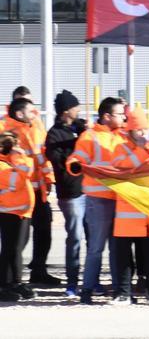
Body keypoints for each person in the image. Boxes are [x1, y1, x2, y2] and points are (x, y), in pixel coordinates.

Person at [67, 96, 128, 305]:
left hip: (122, 199)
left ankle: (120, 290)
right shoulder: (90, 136)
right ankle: (87, 290)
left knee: (117, 249)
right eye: (120, 114)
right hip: (99, 200)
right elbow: (77, 158)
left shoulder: (124, 136)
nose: (124, 117)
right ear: (107, 116)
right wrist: (75, 165)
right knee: (96, 248)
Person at [0, 96, 55, 287]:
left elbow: (43, 156)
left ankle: (34, 273)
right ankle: (8, 282)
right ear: (19, 113)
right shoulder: (7, 130)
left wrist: (49, 178)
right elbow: (14, 165)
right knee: (15, 243)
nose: (35, 113)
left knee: (42, 232)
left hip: (36, 191)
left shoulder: (35, 127)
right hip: (17, 194)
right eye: (31, 110)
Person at [110, 107, 149, 305]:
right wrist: (140, 150)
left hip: (148, 212)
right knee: (123, 257)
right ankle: (123, 293)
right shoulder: (120, 148)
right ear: (130, 130)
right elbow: (121, 167)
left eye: (144, 129)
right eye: (139, 129)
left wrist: (147, 150)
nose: (143, 133)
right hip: (126, 214)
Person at [45, 90, 86, 298]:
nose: (78, 109)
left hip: (90, 191)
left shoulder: (81, 128)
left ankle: (92, 281)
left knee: (93, 240)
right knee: (75, 237)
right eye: (75, 106)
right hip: (71, 194)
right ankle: (72, 282)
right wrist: (76, 150)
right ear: (66, 111)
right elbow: (58, 162)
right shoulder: (54, 134)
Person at [0, 130, 35, 302]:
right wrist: (20, 156)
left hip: (20, 212)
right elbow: (22, 177)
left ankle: (15, 282)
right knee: (10, 249)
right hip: (9, 212)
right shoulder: (3, 165)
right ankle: (4, 285)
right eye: (15, 146)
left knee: (16, 249)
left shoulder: (9, 163)